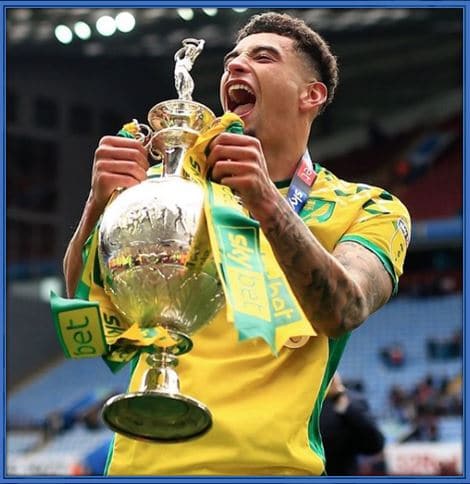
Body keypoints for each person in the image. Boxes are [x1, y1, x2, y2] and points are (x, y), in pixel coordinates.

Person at [63, 12, 411, 476]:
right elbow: (84, 317)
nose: (235, 67)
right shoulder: (173, 192)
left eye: (263, 57)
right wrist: (97, 205)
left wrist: (266, 199)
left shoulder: (369, 208)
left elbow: (344, 309)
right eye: (231, 60)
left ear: (312, 94)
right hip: (144, 466)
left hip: (274, 470)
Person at [320, 373, 385, 475]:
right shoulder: (305, 403)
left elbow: (376, 444)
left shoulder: (352, 402)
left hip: (342, 475)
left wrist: (347, 409)